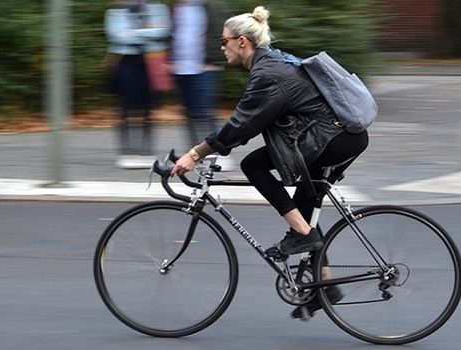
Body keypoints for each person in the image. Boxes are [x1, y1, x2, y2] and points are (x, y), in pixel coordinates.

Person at [170, 6, 369, 319]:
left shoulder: (267, 74)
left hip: (331, 139)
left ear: (243, 42)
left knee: (254, 166)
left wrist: (195, 153)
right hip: (335, 136)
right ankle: (326, 287)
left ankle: (304, 235)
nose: (221, 47)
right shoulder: (270, 63)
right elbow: (247, 122)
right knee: (304, 206)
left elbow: (241, 124)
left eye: (224, 41)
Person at [104, 0, 171, 168]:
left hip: (150, 62)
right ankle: (127, 151)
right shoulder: (114, 12)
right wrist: (147, 32)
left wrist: (132, 33)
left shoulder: (158, 8)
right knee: (124, 110)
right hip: (125, 62)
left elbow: (163, 31)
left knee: (148, 110)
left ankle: (146, 151)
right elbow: (116, 35)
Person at [169, 0, 231, 168]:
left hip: (204, 67)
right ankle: (195, 155)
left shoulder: (209, 5)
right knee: (189, 115)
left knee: (206, 114)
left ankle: (219, 155)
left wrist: (211, 59)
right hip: (181, 68)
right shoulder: (177, 7)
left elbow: (222, 32)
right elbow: (173, 34)